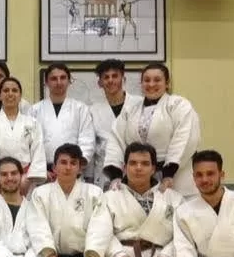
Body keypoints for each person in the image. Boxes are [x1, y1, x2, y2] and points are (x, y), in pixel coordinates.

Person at [90, 142, 185, 257]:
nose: (138, 168)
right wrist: (119, 255)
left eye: (145, 163)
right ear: (124, 168)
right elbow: (101, 231)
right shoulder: (110, 197)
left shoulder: (173, 198)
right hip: (123, 256)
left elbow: (183, 233)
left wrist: (167, 255)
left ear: (153, 169)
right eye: (133, 163)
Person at [25, 143, 111, 257]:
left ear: (80, 168)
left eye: (73, 163)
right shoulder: (40, 194)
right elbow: (38, 230)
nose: (68, 167)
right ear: (54, 167)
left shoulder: (94, 193)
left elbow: (100, 230)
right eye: (63, 162)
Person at [104, 63, 201, 198]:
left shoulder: (178, 105)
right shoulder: (131, 109)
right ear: (141, 84)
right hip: (140, 180)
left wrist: (169, 172)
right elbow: (116, 138)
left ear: (167, 83)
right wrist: (115, 174)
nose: (151, 84)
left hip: (177, 178)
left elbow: (184, 138)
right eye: (147, 80)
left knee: (176, 208)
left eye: (157, 80)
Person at [0, 77, 47, 196]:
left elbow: (38, 151)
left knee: (24, 207)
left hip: (24, 181)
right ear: (0, 95)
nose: (10, 94)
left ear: (20, 96)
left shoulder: (32, 123)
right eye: (6, 90)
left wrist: (27, 179)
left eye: (14, 90)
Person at [31, 64, 95, 179]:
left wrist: (77, 166)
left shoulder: (80, 109)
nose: (59, 82)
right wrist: (40, 170)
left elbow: (87, 140)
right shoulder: (35, 110)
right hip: (44, 173)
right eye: (54, 78)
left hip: (72, 170)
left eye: (63, 78)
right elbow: (29, 143)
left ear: (69, 81)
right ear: (46, 82)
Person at [88, 59, 142, 189]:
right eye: (106, 77)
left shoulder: (139, 104)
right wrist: (89, 178)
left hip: (137, 168)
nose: (110, 80)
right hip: (105, 173)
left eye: (115, 76)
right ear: (100, 83)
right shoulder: (93, 110)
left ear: (123, 79)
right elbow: (91, 146)